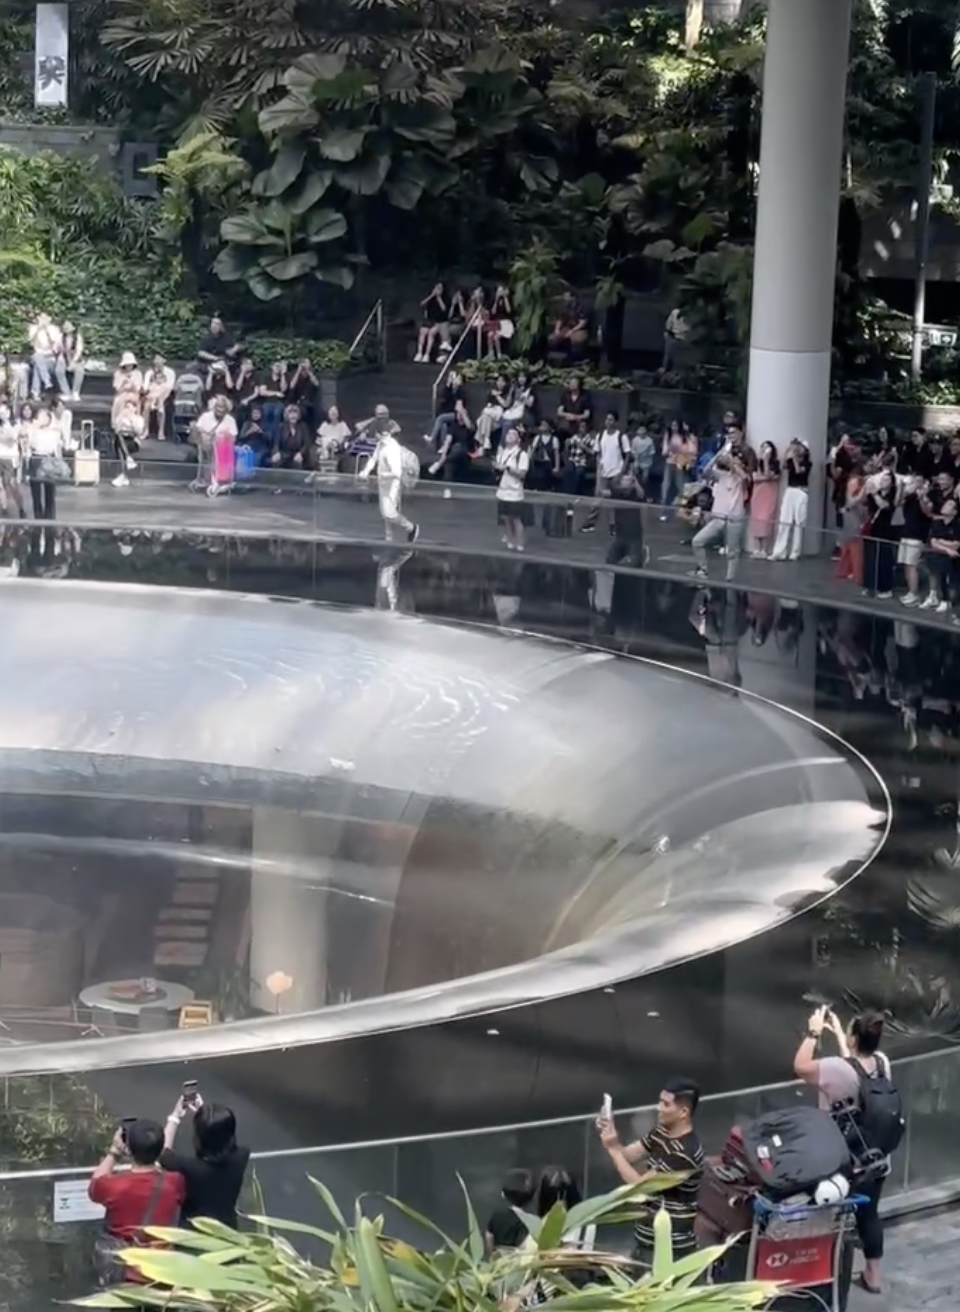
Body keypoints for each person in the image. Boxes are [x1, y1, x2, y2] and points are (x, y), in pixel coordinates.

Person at [793, 1007, 893, 1297]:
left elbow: (801, 1066)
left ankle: (818, 1273)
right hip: (875, 1157)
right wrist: (839, 1032)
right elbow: (854, 1067)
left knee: (825, 1211)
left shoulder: (835, 1068)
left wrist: (813, 1031)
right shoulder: (882, 1062)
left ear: (853, 1039)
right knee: (869, 1214)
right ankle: (874, 1276)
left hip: (841, 1158)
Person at [597, 1078, 704, 1270]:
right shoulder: (661, 1132)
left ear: (683, 1112)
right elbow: (627, 1155)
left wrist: (613, 1149)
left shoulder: (685, 1153)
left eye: (665, 1104)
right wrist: (610, 1136)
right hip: (646, 1241)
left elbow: (641, 1187)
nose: (658, 1108)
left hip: (669, 1252)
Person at [88, 1119, 185, 1284]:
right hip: (161, 1271)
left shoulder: (114, 1186)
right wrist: (174, 1118)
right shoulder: (175, 1182)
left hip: (125, 1272)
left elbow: (94, 1187)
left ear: (129, 1149)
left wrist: (114, 1152)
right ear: (161, 1150)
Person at [161, 1094, 249, 1229]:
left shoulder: (188, 1168)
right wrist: (204, 1114)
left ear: (199, 1139)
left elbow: (162, 1151)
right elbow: (220, 1134)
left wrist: (175, 1116)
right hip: (227, 1231)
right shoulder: (242, 1156)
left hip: (194, 1234)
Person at [689, 427, 753, 582]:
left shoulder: (742, 478)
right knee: (697, 541)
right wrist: (720, 454)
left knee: (732, 552)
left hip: (734, 518)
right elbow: (706, 470)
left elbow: (746, 478)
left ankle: (729, 579)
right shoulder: (722, 476)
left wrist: (733, 463)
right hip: (718, 517)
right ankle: (703, 570)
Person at [359, 409, 419, 544]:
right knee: (384, 513)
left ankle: (411, 527)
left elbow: (396, 472)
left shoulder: (392, 448)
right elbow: (374, 459)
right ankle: (389, 538)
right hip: (384, 483)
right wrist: (366, 471)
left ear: (381, 434)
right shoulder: (381, 445)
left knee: (389, 513)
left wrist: (382, 474)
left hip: (393, 485)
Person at [769, 438, 811, 560]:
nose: (798, 449)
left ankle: (795, 552)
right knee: (784, 520)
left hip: (801, 491)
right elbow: (782, 467)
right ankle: (779, 551)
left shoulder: (807, 463)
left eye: (800, 447)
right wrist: (787, 452)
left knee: (799, 522)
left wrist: (793, 458)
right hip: (790, 490)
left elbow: (799, 471)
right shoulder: (790, 460)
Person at [921, 497, 960, 617]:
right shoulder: (937, 523)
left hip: (954, 560)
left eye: (949, 505)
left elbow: (956, 544)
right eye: (946, 503)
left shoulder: (957, 525)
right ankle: (933, 596)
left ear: (954, 511)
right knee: (933, 565)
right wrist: (947, 549)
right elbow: (933, 542)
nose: (945, 506)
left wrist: (941, 542)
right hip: (939, 555)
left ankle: (947, 600)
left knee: (949, 575)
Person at [192, 395, 238, 494]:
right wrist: (205, 434)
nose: (220, 410)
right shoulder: (206, 416)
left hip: (222, 448)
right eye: (218, 406)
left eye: (222, 407)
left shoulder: (230, 420)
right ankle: (206, 478)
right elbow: (198, 427)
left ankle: (220, 479)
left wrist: (222, 436)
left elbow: (233, 437)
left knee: (219, 445)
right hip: (206, 444)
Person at [25, 406, 64, 520]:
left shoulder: (54, 431)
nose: (43, 419)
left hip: (49, 459)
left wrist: (59, 462)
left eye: (46, 416)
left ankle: (50, 518)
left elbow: (57, 448)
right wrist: (35, 426)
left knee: (50, 493)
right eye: (41, 416)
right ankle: (38, 517)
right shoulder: (32, 429)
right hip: (36, 458)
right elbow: (29, 442)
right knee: (36, 494)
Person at [494, 427, 530, 552]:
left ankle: (519, 542)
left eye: (513, 434)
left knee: (516, 519)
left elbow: (522, 474)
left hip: (515, 492)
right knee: (505, 518)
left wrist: (507, 468)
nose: (509, 435)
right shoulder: (502, 453)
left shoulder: (522, 455)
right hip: (502, 490)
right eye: (508, 433)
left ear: (518, 439)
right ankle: (510, 540)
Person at [484, 1167, 535, 1252]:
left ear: (504, 1195)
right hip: (517, 1261)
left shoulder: (497, 1215)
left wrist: (492, 1252)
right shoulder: (530, 1222)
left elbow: (489, 1236)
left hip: (499, 1259)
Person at [748, 440, 780, 557]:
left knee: (767, 519)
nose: (765, 450)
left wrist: (766, 461)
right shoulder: (756, 463)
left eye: (767, 448)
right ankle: (757, 548)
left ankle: (765, 549)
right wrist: (765, 477)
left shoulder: (775, 463)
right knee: (756, 519)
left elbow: (769, 475)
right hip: (757, 493)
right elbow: (755, 477)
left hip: (769, 493)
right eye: (763, 447)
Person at [660, 421, 698, 515]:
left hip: (680, 462)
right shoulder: (668, 435)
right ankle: (663, 501)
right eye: (672, 425)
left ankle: (683, 502)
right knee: (666, 482)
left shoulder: (684, 436)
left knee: (680, 482)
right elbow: (664, 451)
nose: (674, 427)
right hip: (670, 461)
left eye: (676, 425)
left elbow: (691, 449)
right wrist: (669, 450)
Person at [0, 403, 26, 520]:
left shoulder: (15, 424)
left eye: (4, 411)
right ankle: (4, 508)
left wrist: (6, 427)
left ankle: (21, 507)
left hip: (9, 457)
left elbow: (11, 438)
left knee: (10, 483)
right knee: (1, 486)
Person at [142, 354, 177, 440]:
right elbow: (145, 387)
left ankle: (161, 431)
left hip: (166, 395)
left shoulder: (170, 372)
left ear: (163, 361)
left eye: (159, 359)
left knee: (160, 404)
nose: (156, 362)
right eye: (155, 360)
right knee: (146, 405)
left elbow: (170, 388)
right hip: (151, 395)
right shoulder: (149, 373)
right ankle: (145, 430)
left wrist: (160, 396)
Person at [28, 313, 61, 398]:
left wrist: (47, 331)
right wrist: (38, 330)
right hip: (36, 356)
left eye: (45, 318)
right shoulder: (33, 328)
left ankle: (35, 392)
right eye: (41, 317)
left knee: (37, 367)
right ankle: (47, 381)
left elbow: (54, 347)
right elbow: (31, 344)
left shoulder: (54, 329)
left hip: (50, 358)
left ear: (49, 319)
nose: (43, 320)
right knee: (38, 357)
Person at [549, 292, 588, 361]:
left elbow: (583, 323)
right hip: (567, 327)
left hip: (579, 328)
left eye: (567, 297)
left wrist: (572, 331)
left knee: (577, 340)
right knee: (553, 338)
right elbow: (560, 319)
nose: (566, 299)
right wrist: (557, 329)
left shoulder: (580, 307)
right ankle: (555, 357)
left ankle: (576, 359)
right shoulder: (564, 307)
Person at [415, 283, 449, 363]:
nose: (438, 290)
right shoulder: (431, 298)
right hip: (429, 321)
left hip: (439, 322)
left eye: (440, 288)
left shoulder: (445, 299)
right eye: (437, 288)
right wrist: (431, 296)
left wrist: (439, 298)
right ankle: (419, 353)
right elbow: (422, 304)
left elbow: (444, 309)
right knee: (423, 332)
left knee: (431, 333)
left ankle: (427, 354)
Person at [55, 321, 86, 400]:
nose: (66, 328)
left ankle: (75, 392)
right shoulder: (60, 337)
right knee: (58, 370)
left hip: (75, 359)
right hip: (64, 358)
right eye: (65, 326)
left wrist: (73, 362)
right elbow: (57, 348)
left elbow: (79, 351)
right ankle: (66, 392)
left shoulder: (77, 337)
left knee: (80, 370)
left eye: (68, 326)